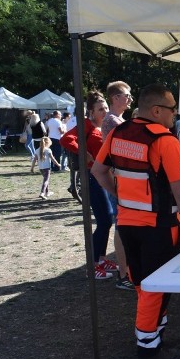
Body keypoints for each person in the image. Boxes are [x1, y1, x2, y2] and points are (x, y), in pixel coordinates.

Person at [93, 83, 180, 356]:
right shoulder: (164, 140)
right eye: (172, 110)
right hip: (159, 227)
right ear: (156, 110)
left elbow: (98, 170)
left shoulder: (117, 133)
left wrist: (119, 194)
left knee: (143, 282)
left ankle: (155, 331)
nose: (174, 115)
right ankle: (148, 343)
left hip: (127, 224)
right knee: (155, 285)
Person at [60, 91, 118, 280]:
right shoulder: (87, 125)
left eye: (106, 108)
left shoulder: (105, 126)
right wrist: (84, 153)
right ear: (91, 112)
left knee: (107, 219)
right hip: (92, 177)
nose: (104, 111)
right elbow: (66, 139)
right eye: (100, 109)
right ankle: (92, 265)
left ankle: (100, 259)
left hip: (104, 175)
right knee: (104, 220)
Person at [101, 81, 135, 291]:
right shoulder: (113, 121)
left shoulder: (118, 120)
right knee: (122, 227)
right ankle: (124, 275)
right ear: (115, 98)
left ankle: (127, 272)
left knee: (125, 226)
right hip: (119, 181)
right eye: (126, 95)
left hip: (124, 180)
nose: (130, 98)